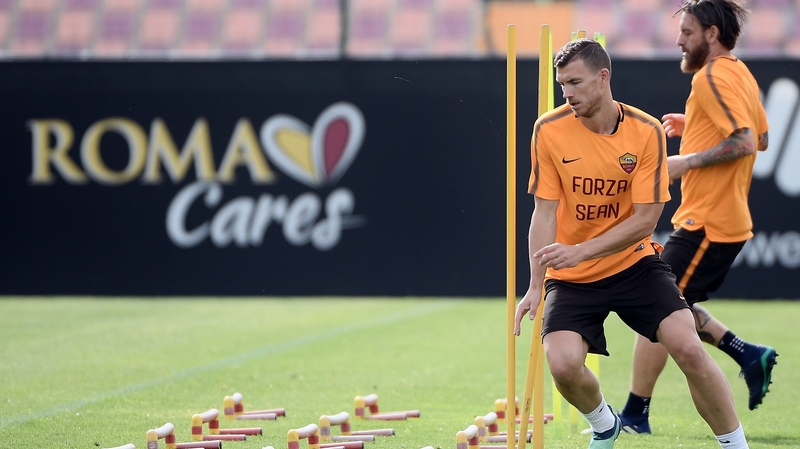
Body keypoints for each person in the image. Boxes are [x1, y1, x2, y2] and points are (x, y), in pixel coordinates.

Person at [513, 38, 749, 449]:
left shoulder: (646, 131)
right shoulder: (548, 129)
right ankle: (605, 424)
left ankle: (735, 445)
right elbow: (544, 213)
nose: (566, 93)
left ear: (603, 78)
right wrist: (535, 284)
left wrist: (581, 251)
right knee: (564, 365)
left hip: (634, 264)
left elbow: (644, 221)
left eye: (575, 82)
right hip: (571, 276)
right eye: (561, 84)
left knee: (689, 348)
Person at [618, 0, 777, 435]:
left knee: (655, 307)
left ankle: (634, 416)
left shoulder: (711, 76)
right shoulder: (739, 72)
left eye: (687, 32)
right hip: (718, 220)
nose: (678, 41)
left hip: (709, 222)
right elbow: (762, 137)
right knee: (674, 307)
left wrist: (684, 161)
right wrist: (699, 125)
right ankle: (747, 353)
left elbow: (745, 142)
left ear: (710, 33)